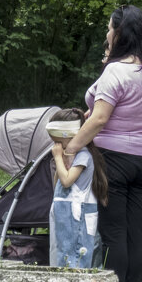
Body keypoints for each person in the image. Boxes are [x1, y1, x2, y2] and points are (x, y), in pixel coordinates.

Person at [62, 5, 142, 282]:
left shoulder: (116, 72)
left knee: (114, 232)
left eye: (109, 28)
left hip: (113, 160)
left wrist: (71, 149)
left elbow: (100, 119)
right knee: (135, 232)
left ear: (119, 33)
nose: (107, 33)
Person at [48, 108, 109, 269]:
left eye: (58, 142)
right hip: (64, 216)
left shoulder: (83, 156)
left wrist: (57, 158)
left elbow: (67, 181)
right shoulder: (70, 157)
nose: (56, 146)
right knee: (61, 254)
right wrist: (61, 160)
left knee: (75, 257)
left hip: (76, 217)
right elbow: (58, 185)